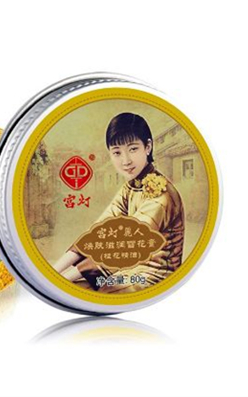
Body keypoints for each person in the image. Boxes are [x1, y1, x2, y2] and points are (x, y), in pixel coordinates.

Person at [52, 112, 185, 293]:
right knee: (72, 288)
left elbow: (124, 248)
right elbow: (98, 234)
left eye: (133, 149)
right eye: (117, 152)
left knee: (79, 291)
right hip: (126, 270)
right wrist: (52, 273)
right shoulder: (130, 187)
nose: (126, 161)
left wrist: (58, 280)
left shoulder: (161, 193)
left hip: (155, 276)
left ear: (148, 147)